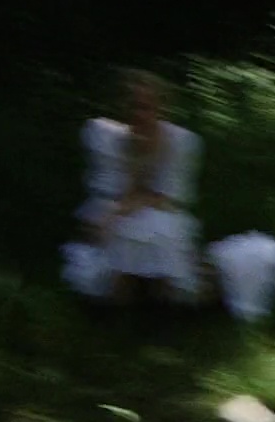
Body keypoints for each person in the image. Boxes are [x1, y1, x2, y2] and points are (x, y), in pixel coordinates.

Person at [62, 69, 208, 307]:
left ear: (161, 108)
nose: (139, 114)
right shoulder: (107, 136)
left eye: (146, 107)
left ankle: (163, 303)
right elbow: (116, 192)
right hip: (119, 205)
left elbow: (165, 197)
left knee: (157, 228)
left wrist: (116, 214)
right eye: (134, 106)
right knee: (127, 233)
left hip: (159, 209)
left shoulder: (180, 142)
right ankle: (116, 305)